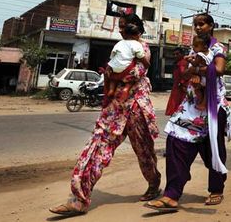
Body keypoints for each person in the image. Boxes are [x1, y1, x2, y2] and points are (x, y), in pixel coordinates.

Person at [50, 13, 161, 216]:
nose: (119, 30)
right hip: (114, 109)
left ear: (134, 27)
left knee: (145, 153)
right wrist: (111, 75)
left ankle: (154, 184)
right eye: (119, 26)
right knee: (95, 150)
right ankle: (79, 199)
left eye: (123, 26)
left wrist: (112, 74)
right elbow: (111, 71)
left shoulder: (142, 47)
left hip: (136, 109)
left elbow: (134, 73)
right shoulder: (120, 47)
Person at [146, 13, 231, 212]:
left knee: (213, 149)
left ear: (211, 26)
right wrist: (190, 71)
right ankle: (172, 195)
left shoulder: (217, 48)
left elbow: (219, 69)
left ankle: (216, 189)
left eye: (202, 24)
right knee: (176, 141)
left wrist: (198, 70)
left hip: (212, 105)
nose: (198, 27)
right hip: (191, 105)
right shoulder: (194, 48)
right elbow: (186, 73)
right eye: (195, 24)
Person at [104, 23, 149, 104]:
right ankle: (127, 88)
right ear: (135, 35)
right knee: (132, 78)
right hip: (127, 68)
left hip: (115, 67)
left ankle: (111, 89)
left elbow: (113, 54)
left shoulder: (119, 43)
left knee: (113, 79)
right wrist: (147, 64)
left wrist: (111, 65)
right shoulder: (137, 44)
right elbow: (141, 56)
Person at [187, 34, 212, 111]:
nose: (193, 48)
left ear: (204, 46)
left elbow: (195, 64)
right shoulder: (211, 53)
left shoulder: (200, 54)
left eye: (196, 46)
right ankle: (204, 103)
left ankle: (200, 102)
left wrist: (190, 60)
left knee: (198, 89)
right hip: (210, 78)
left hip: (203, 78)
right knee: (206, 92)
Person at [166, 48, 189, 116]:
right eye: (174, 54)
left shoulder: (182, 63)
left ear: (182, 54)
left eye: (177, 54)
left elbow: (183, 74)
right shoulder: (179, 62)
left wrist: (182, 84)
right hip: (177, 86)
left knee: (177, 104)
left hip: (180, 87)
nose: (175, 56)